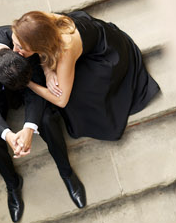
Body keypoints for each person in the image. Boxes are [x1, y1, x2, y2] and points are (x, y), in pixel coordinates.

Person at [0, 27, 86, 223]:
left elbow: (35, 84)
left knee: (47, 119)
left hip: (26, 85)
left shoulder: (21, 42)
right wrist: (8, 135)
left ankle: (66, 171)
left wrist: (29, 127)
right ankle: (12, 184)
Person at [10, 9, 160, 157]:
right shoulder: (35, 21)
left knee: (77, 96)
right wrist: (48, 72)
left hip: (105, 55)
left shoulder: (65, 51)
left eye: (21, 47)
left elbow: (61, 101)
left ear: (40, 45)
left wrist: (27, 82)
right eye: (15, 43)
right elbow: (43, 51)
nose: (14, 50)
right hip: (93, 32)